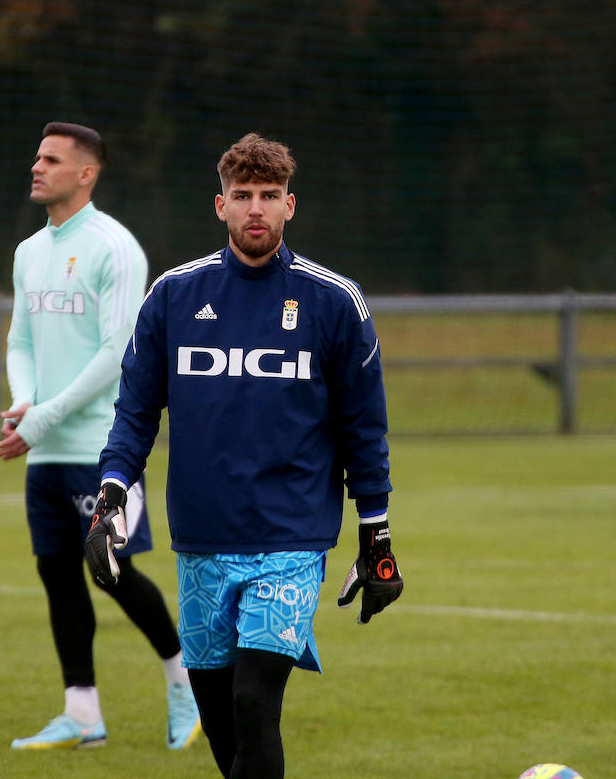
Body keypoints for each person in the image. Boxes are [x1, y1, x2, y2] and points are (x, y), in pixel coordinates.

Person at [84, 133, 404, 779]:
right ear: (219, 205)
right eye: (242, 196)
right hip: (202, 537)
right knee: (224, 724)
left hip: (290, 536)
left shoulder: (334, 300)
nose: (254, 208)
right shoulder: (174, 294)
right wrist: (111, 500)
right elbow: (135, 413)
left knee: (255, 701)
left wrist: (377, 537)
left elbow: (363, 429)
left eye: (267, 196)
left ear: (291, 205)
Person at [0, 122, 200, 751]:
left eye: (51, 160)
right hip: (46, 445)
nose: (37, 167)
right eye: (37, 156)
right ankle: (82, 714)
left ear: (86, 173)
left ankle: (185, 684)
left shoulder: (115, 247)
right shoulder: (29, 251)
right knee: (57, 573)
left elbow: (117, 353)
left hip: (103, 450)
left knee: (111, 571)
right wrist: (23, 400)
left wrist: (42, 419)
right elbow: (20, 340)